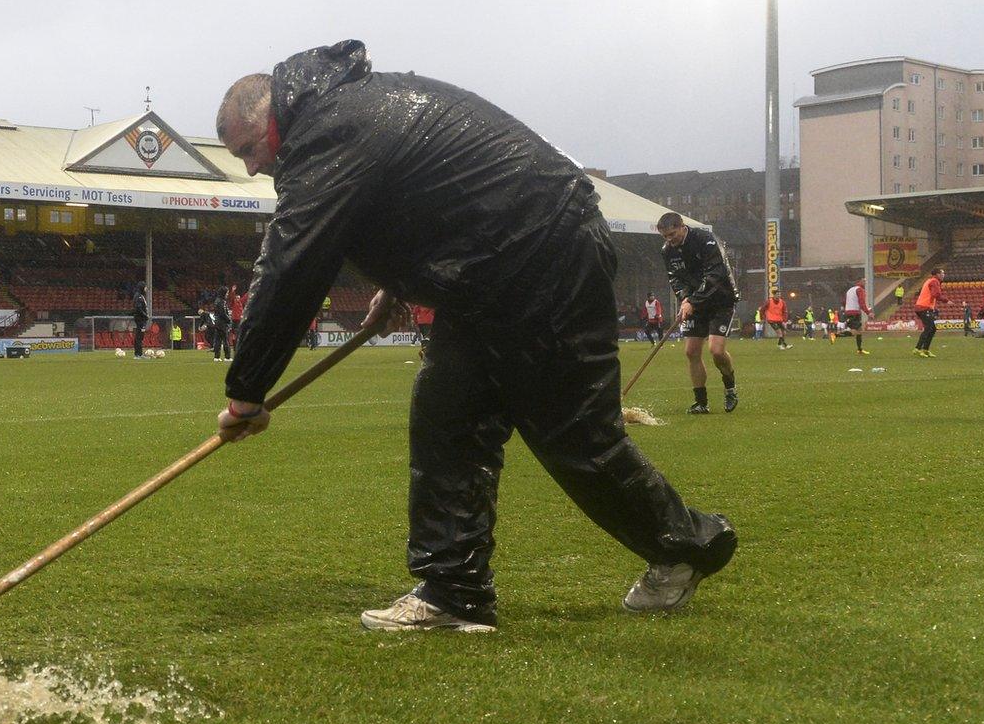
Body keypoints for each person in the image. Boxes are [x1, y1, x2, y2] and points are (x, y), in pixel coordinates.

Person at [211, 41, 735, 633]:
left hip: (538, 257)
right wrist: (399, 285)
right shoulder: (343, 113)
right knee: (447, 416)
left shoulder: (326, 132)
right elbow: (423, 203)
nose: (253, 167)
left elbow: (293, 267)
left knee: (572, 432)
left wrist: (246, 392)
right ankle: (452, 593)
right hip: (505, 264)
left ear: (272, 116)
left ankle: (688, 545)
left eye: (251, 150)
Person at [655, 213, 739, 414]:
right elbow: (675, 278)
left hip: (721, 299)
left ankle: (730, 389)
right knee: (691, 352)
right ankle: (701, 402)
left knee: (716, 351)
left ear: (682, 226)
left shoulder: (705, 240)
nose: (669, 240)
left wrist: (692, 300)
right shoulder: (667, 251)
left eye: (672, 234)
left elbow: (715, 275)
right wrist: (684, 297)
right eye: (665, 236)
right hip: (694, 303)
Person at [911, 268, 945, 357]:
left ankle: (925, 349)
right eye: (942, 273)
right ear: (937, 274)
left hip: (922, 307)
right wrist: (946, 300)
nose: (943, 275)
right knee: (929, 328)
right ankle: (918, 349)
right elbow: (935, 295)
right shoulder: (934, 281)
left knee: (932, 329)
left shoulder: (929, 281)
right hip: (923, 307)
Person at [840, 280, 871, 355]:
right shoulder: (860, 290)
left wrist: (845, 309)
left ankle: (859, 350)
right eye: (864, 281)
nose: (865, 283)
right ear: (859, 282)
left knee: (859, 331)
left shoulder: (850, 290)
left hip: (849, 312)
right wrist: (868, 313)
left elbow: (844, 301)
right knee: (855, 332)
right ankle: (835, 335)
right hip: (854, 313)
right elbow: (862, 303)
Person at [130, 290, 150, 358]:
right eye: (145, 287)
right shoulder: (139, 296)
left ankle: (138, 354)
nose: (146, 289)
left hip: (140, 319)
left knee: (139, 336)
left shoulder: (139, 295)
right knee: (139, 336)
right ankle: (139, 354)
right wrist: (145, 315)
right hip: (140, 319)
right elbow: (138, 308)